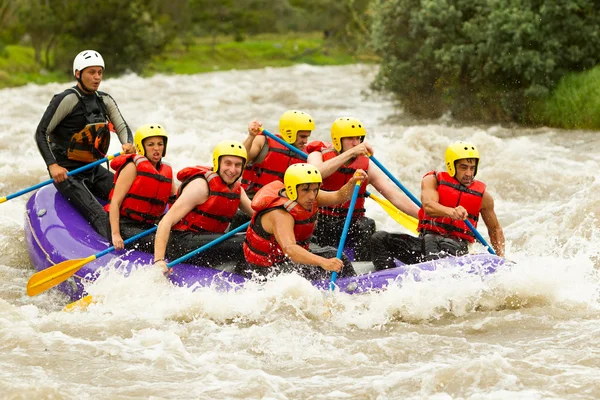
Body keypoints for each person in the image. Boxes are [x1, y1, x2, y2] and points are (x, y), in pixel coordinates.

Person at [34, 50, 135, 238]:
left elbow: (122, 126)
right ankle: (117, 243)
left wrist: (128, 143)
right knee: (99, 215)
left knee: (132, 199)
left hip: (94, 168)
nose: (97, 77)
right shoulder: (66, 99)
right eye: (91, 72)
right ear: (78, 74)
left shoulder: (105, 100)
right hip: (68, 173)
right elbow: (41, 132)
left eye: (100, 72)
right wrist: (53, 165)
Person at [370, 141, 505, 270]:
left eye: (472, 168)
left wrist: (501, 259)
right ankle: (387, 279)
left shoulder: (484, 197)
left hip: (456, 249)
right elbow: (429, 207)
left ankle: (432, 278)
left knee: (431, 240)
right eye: (463, 168)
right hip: (424, 245)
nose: (469, 173)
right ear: (451, 166)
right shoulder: (432, 180)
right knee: (379, 238)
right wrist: (451, 212)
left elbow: (495, 230)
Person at [306, 117, 419, 261]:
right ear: (337, 140)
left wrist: (424, 217)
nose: (356, 143)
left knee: (367, 225)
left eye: (358, 139)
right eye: (350, 139)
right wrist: (351, 152)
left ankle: (363, 265)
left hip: (351, 224)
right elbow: (316, 173)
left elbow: (394, 196)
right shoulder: (317, 155)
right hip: (323, 222)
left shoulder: (366, 166)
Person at [235, 163, 368, 282]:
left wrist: (352, 182)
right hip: (264, 270)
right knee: (300, 277)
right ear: (292, 189)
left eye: (315, 189)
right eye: (306, 190)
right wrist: (323, 262)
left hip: (287, 260)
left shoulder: (308, 196)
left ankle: (353, 289)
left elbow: (339, 196)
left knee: (337, 256)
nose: (312, 195)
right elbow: (290, 249)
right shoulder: (280, 214)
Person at [153, 140, 254, 272]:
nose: (232, 170)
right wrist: (159, 260)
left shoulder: (237, 189)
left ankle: (243, 273)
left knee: (253, 231)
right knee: (245, 243)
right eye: (227, 163)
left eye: (238, 165)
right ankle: (243, 277)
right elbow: (166, 222)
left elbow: (258, 214)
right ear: (217, 163)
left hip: (206, 243)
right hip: (182, 244)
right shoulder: (201, 186)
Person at [229, 110, 315, 229]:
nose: (305, 141)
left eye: (307, 137)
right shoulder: (263, 142)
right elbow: (240, 158)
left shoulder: (308, 156)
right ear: (290, 132)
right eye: (302, 136)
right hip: (251, 203)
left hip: (280, 208)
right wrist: (251, 136)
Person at [104, 124, 175, 252]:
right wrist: (115, 234)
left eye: (160, 144)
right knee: (166, 244)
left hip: (147, 226)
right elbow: (115, 203)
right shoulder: (132, 167)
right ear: (141, 147)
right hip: (124, 224)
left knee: (172, 240)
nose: (156, 148)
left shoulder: (165, 171)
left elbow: (174, 202)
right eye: (151, 144)